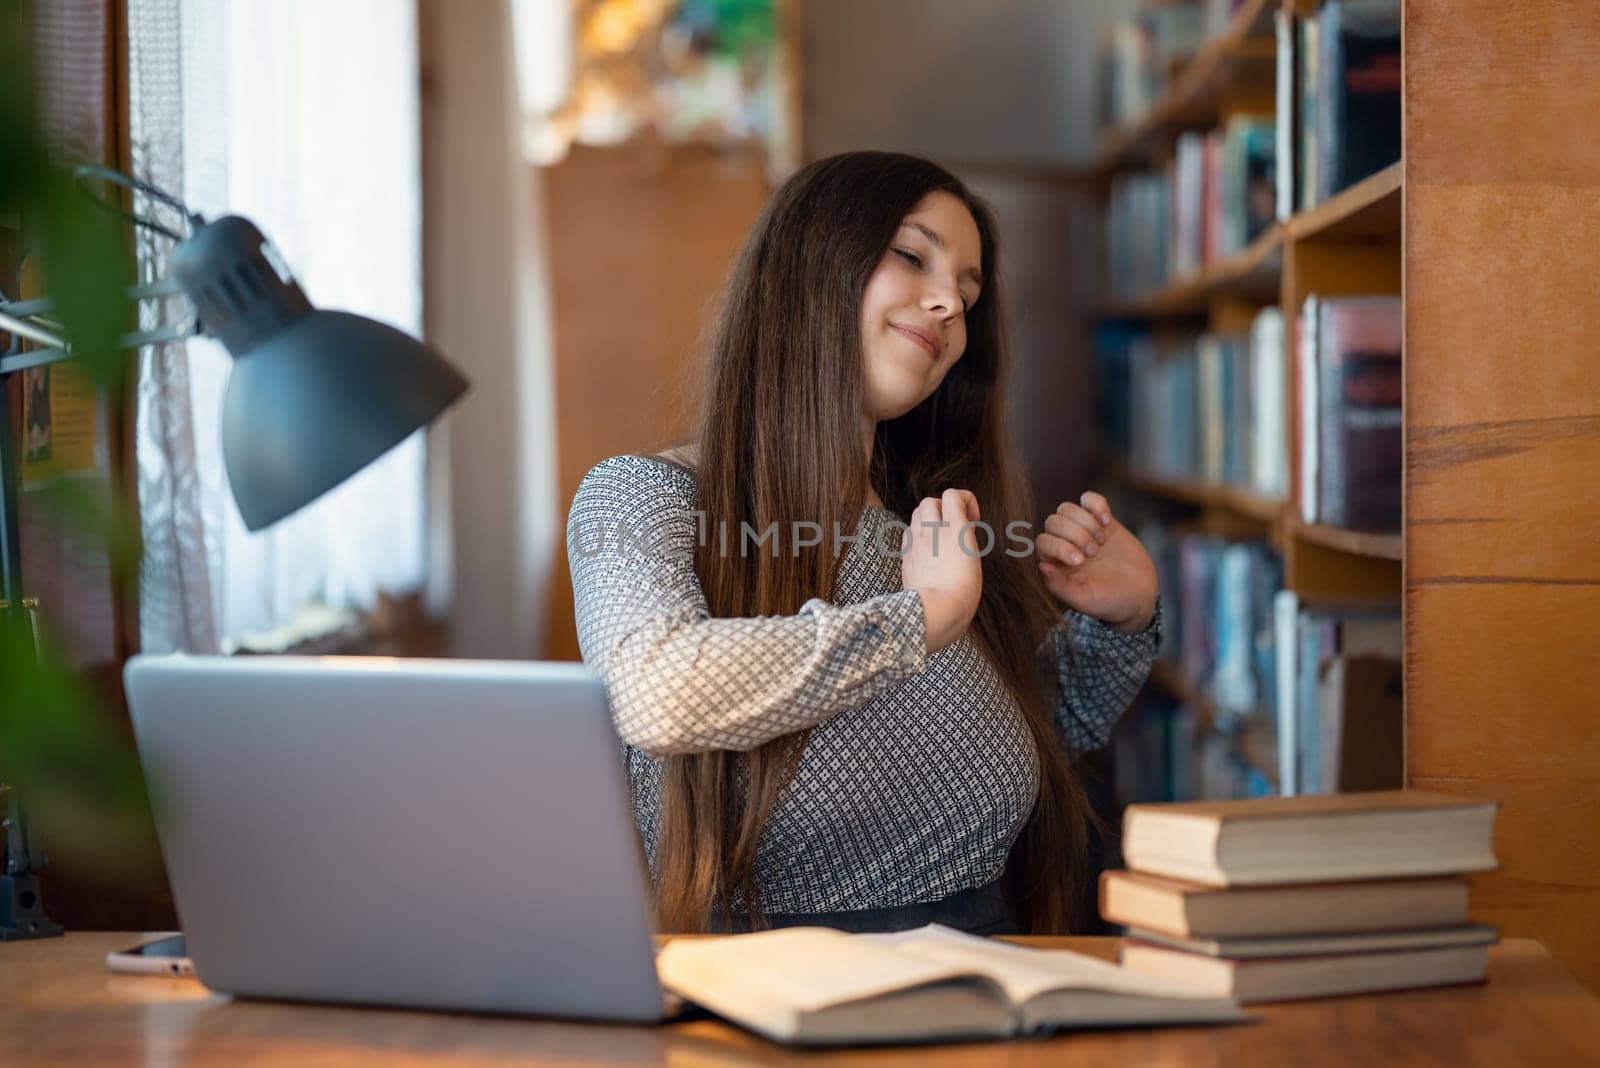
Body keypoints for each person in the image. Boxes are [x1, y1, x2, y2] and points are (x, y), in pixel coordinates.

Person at [566, 151, 1161, 937]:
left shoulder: (928, 524)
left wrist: (1121, 622)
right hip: (758, 1005)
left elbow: (1016, 737)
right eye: (913, 256)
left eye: (968, 292)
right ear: (811, 266)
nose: (950, 301)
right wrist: (921, 618)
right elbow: (655, 692)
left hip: (985, 988)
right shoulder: (643, 496)